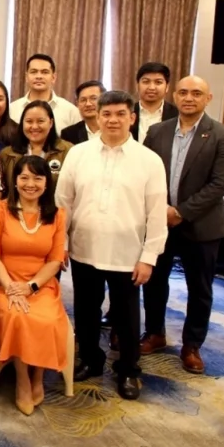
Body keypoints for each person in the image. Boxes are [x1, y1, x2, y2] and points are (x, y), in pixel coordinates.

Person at [55, 90, 168, 400]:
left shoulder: (149, 161)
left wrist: (149, 257)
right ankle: (90, 359)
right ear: (97, 116)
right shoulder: (79, 154)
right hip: (84, 248)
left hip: (127, 254)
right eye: (106, 114)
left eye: (120, 114)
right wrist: (61, 242)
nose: (113, 120)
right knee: (85, 310)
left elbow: (157, 214)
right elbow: (64, 203)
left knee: (126, 317)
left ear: (132, 118)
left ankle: (128, 369)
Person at [140, 76, 224, 373]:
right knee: (155, 282)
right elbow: (143, 172)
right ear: (175, 96)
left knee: (200, 288)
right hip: (160, 221)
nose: (189, 98)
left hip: (201, 225)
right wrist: (160, 211)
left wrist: (181, 212)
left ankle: (192, 345)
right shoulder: (158, 131)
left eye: (196, 93)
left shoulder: (223, 136)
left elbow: (219, 185)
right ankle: (155, 332)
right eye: (183, 92)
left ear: (208, 99)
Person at [0, 156, 69, 416]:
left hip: (40, 285)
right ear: (15, 181)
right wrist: (11, 287)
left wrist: (31, 286)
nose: (30, 184)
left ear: (46, 183)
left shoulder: (57, 215)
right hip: (3, 283)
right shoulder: (0, 209)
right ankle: (22, 379)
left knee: (47, 319)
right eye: (24, 178)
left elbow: (55, 261)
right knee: (17, 316)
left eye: (37, 178)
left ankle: (38, 376)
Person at [0, 101, 72, 191]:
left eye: (40, 121)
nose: (34, 127)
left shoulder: (69, 151)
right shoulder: (7, 154)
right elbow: (3, 190)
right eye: (29, 121)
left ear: (51, 123)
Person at [8, 54, 81, 131]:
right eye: (34, 72)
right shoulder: (12, 110)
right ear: (26, 77)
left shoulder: (70, 111)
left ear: (53, 77)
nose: (39, 76)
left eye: (45, 72)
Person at [133, 62, 179, 144]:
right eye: (146, 82)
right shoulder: (127, 112)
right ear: (137, 86)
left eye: (158, 82)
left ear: (167, 87)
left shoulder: (177, 114)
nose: (151, 87)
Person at [60, 81, 106, 145]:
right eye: (83, 100)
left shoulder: (114, 128)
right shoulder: (69, 134)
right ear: (77, 104)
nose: (88, 104)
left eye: (93, 98)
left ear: (104, 100)